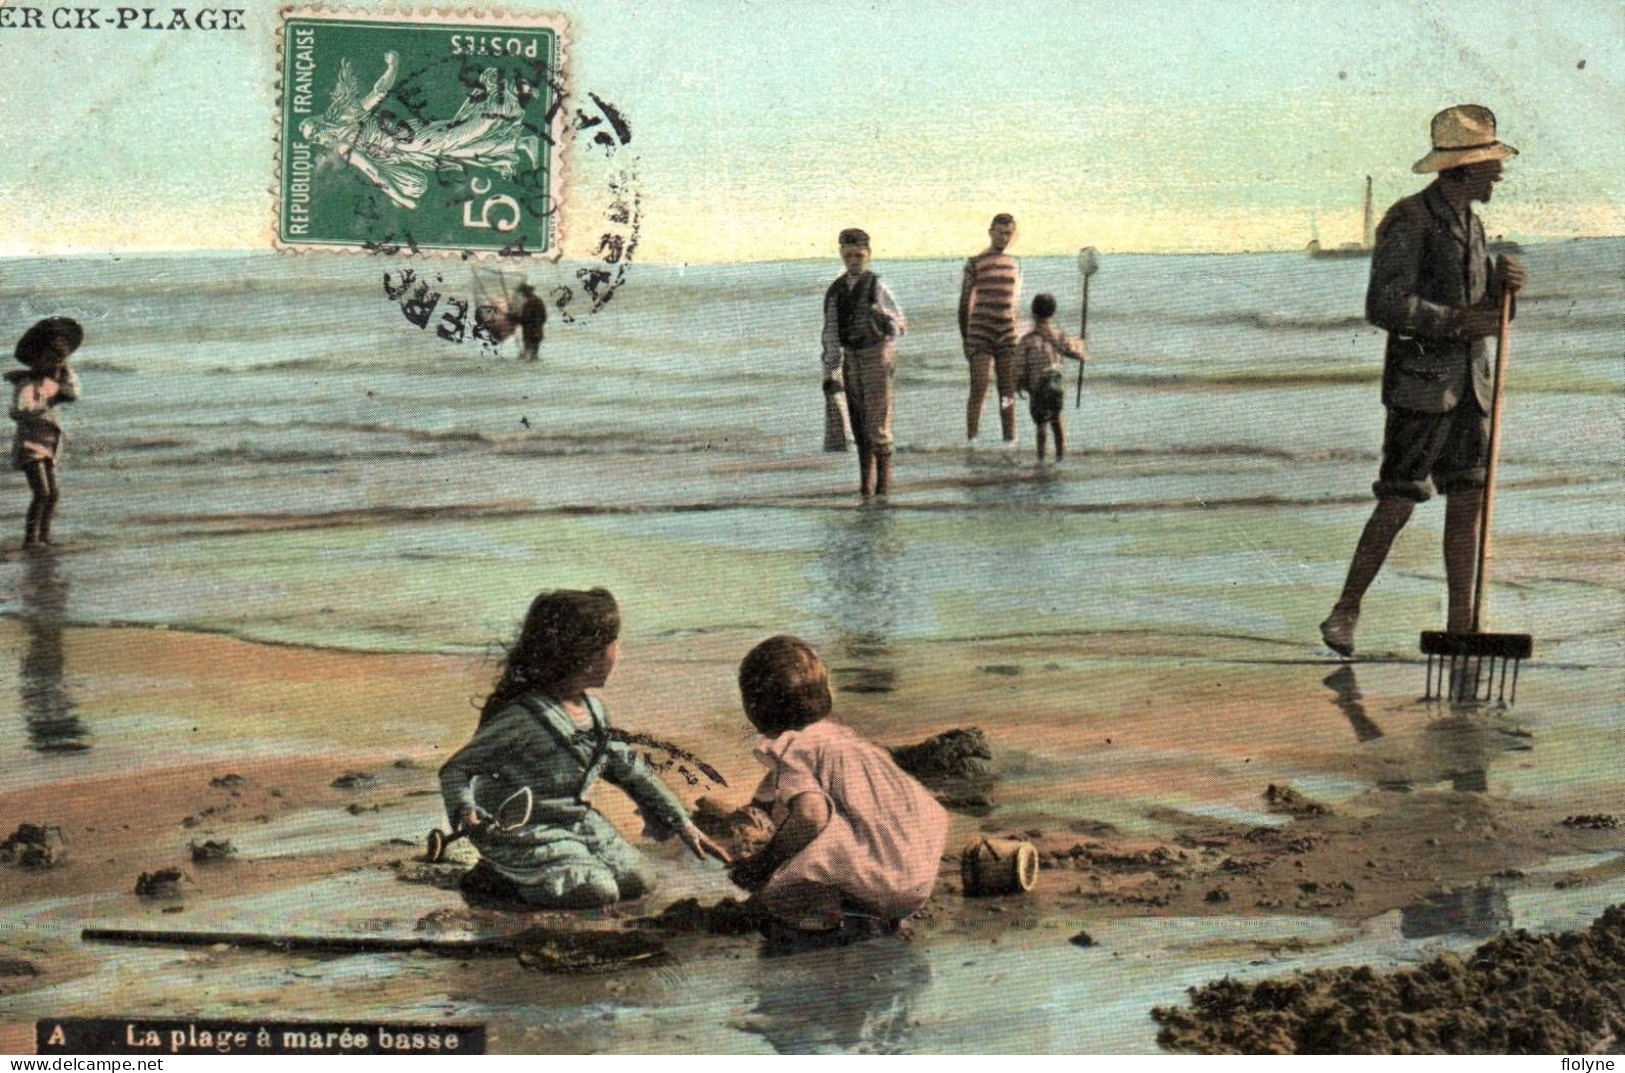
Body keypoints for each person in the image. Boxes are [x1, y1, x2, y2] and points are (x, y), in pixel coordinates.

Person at [1320, 105, 1526, 656]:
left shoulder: (1474, 225)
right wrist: (1459, 321)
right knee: (1399, 500)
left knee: (1468, 500)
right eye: (1491, 165)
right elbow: (1384, 304)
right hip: (1421, 387)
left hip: (1470, 387)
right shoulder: (1409, 219)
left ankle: (1462, 626)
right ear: (1461, 170)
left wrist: (1506, 294)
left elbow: (1486, 315)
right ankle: (1344, 612)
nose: (1499, 175)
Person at [438, 588, 728, 908]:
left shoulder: (595, 712)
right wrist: (466, 810)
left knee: (638, 881)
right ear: (587, 655)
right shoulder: (522, 718)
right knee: (597, 892)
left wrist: (682, 823)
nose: (618, 652)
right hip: (525, 831)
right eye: (612, 644)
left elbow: (632, 772)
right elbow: (457, 769)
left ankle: (544, 872)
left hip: (576, 823)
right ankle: (497, 877)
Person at [728, 636, 949, 940]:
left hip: (884, 886)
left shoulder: (794, 749)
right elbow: (773, 791)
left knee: (783, 883)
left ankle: (832, 921)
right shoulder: (843, 739)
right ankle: (873, 910)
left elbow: (811, 816)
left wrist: (761, 865)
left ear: (754, 709)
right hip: (918, 875)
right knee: (827, 815)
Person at [820, 228, 907, 499]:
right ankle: (865, 489)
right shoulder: (835, 291)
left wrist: (881, 318)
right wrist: (830, 370)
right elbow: (830, 334)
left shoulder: (877, 287)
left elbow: (900, 325)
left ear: (868, 254)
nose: (854, 260)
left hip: (876, 356)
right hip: (851, 359)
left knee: (879, 426)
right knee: (857, 426)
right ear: (841, 255)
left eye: (859, 255)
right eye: (848, 255)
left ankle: (883, 491)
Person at [8, 318, 82, 549]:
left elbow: (73, 393)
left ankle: (44, 536)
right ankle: (31, 539)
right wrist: (48, 402)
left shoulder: (55, 382)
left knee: (53, 494)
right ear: (36, 358)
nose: (55, 363)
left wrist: (65, 375)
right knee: (42, 492)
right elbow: (19, 411)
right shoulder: (27, 384)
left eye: (60, 359)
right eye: (51, 358)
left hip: (50, 445)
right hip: (30, 445)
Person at [959, 213, 1023, 446]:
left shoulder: (1015, 264)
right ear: (991, 232)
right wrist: (966, 338)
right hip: (980, 334)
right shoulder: (974, 262)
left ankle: (1010, 440)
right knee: (980, 386)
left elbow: (1015, 305)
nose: (1004, 237)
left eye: (1008, 233)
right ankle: (972, 441)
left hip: (1007, 334)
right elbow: (964, 303)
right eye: (1000, 232)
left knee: (1008, 391)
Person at [1015, 293, 1086, 463]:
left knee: (1041, 424)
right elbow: (1076, 353)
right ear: (1053, 313)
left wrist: (1018, 384)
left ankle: (1041, 459)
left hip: (1038, 386)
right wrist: (1081, 343)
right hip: (1056, 384)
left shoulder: (1027, 340)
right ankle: (1061, 456)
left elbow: (1019, 366)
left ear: (1033, 313)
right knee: (1057, 419)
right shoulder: (1059, 336)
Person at [515, 283, 547, 361]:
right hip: (534, 329)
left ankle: (531, 356)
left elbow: (525, 318)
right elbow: (543, 316)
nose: (522, 295)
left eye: (522, 293)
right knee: (532, 345)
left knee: (531, 344)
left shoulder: (531, 302)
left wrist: (516, 318)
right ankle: (532, 356)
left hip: (532, 329)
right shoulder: (534, 301)